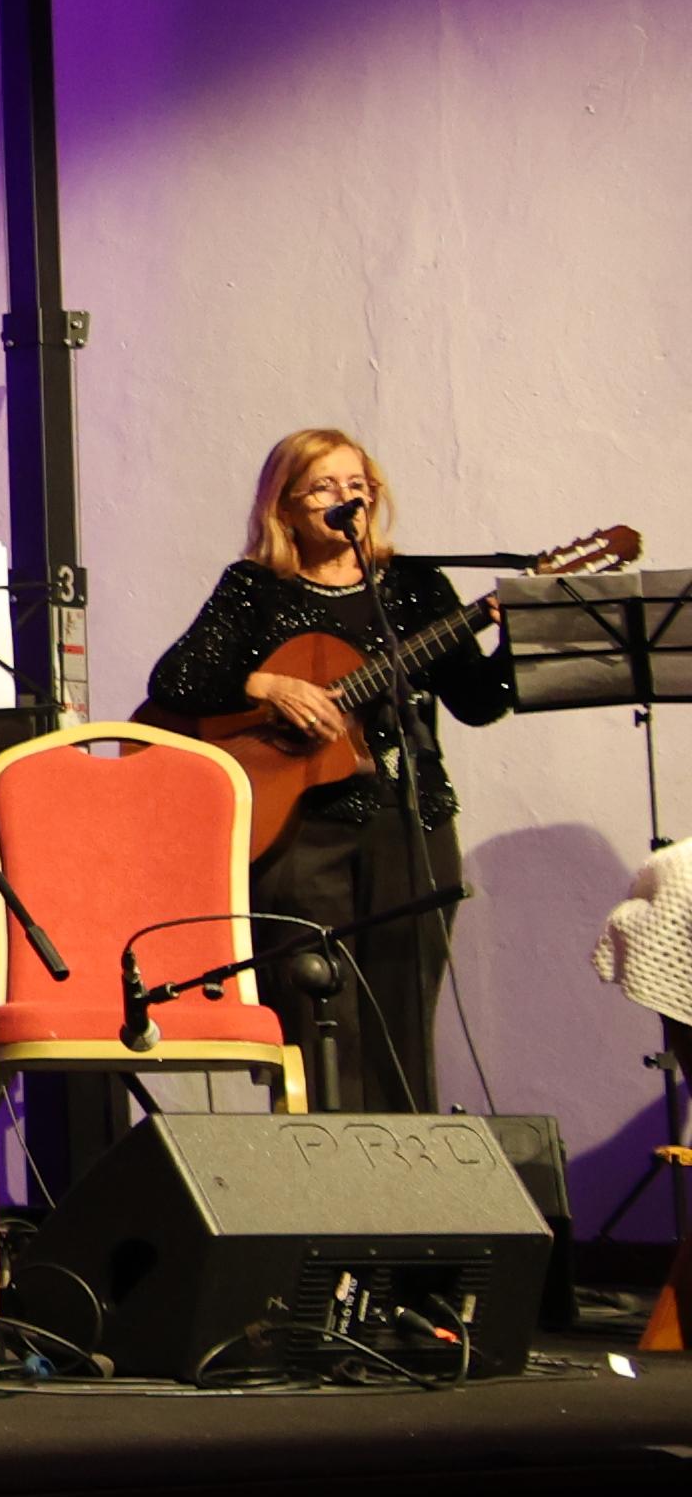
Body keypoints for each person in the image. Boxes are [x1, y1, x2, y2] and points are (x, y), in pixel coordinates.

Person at [143, 429, 510, 1111]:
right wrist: (265, 685)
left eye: (357, 485)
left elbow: (481, 703)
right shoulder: (256, 588)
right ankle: (323, 1183)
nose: (347, 499)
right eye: (324, 488)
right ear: (284, 508)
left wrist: (515, 632)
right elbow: (177, 680)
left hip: (411, 820)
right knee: (316, 1010)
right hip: (299, 833)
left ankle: (407, 1186)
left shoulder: (417, 587)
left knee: (404, 1014)